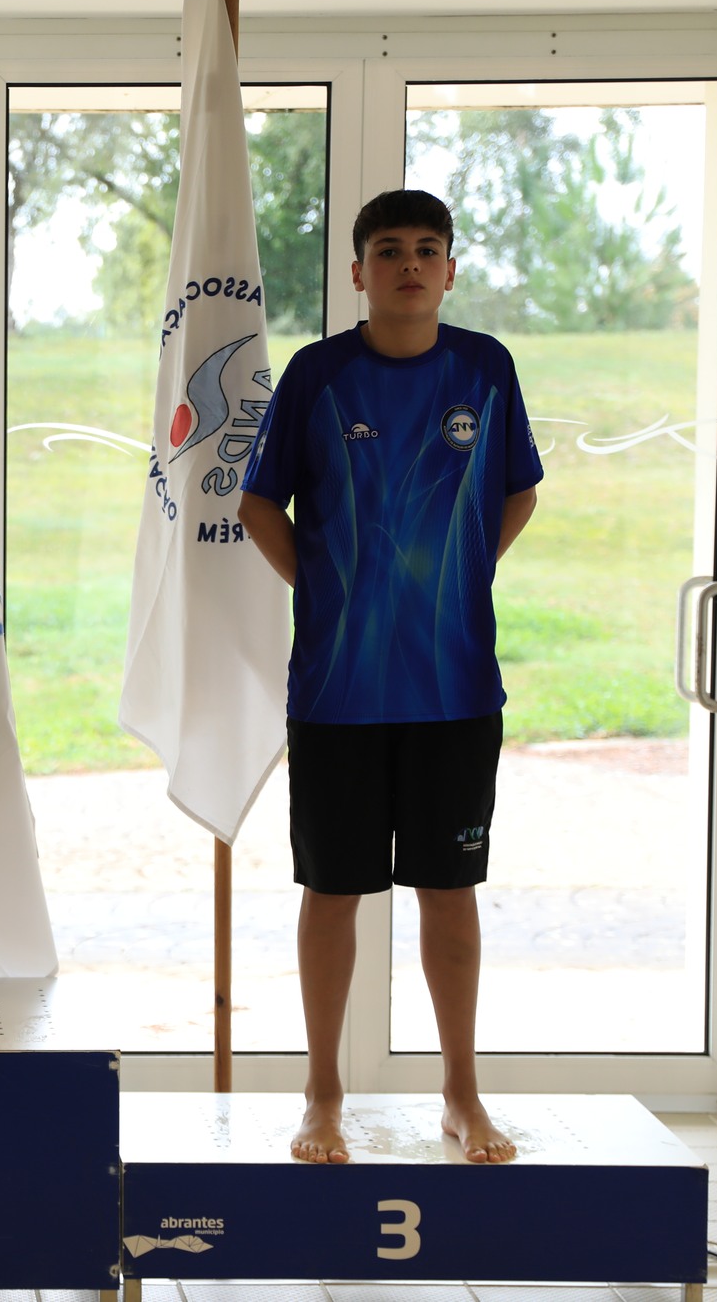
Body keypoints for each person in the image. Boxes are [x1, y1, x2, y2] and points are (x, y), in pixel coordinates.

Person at [237, 189, 542, 1164]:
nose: (409, 264)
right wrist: (326, 583)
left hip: (455, 691)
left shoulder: (484, 367)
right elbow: (256, 503)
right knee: (332, 894)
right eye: (388, 250)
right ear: (357, 271)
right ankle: (321, 1095)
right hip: (339, 694)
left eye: (426, 249)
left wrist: (463, 573)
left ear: (449, 269)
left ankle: (461, 1094)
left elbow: (518, 491)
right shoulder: (318, 374)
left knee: (448, 892)